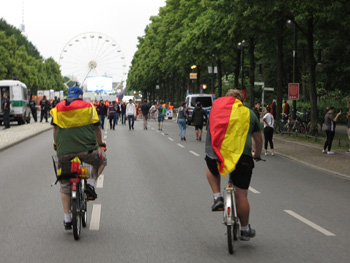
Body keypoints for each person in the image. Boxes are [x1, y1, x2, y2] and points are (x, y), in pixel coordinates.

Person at [205, 89, 262, 241]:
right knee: (241, 195)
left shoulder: (216, 112)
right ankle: (244, 229)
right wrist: (257, 154)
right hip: (242, 157)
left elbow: (210, 132)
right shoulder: (249, 113)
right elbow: (258, 138)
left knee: (210, 165)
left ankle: (217, 197)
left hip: (219, 154)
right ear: (241, 101)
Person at [50, 85, 107, 230]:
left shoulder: (58, 108)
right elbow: (97, 128)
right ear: (81, 96)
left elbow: (55, 129)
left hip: (64, 152)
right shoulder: (88, 107)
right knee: (101, 160)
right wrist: (100, 143)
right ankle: (91, 184)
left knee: (64, 183)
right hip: (87, 150)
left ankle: (67, 218)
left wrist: (56, 144)